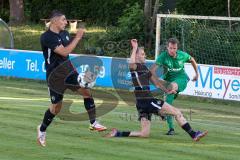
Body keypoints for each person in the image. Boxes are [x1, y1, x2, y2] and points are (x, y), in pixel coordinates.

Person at [105, 39, 207, 141]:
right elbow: (131, 64)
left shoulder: (144, 68)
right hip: (147, 101)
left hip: (141, 103)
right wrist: (135, 48)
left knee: (144, 133)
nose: (145, 56)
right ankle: (193, 134)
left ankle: (118, 133)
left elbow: (157, 83)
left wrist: (168, 91)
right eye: (142, 54)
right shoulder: (135, 66)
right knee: (177, 112)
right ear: (136, 56)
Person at [37, 10, 106, 147]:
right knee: (56, 108)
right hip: (55, 76)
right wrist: (78, 37)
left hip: (69, 71)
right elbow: (64, 51)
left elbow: (67, 51)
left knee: (86, 90)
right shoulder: (46, 37)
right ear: (55, 21)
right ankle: (42, 129)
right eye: (63, 19)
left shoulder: (65, 34)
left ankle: (93, 123)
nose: (66, 22)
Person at [150, 38, 199, 135]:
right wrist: (156, 81)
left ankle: (161, 113)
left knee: (172, 86)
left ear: (177, 48)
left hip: (181, 80)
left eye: (174, 48)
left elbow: (192, 59)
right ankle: (170, 128)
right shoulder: (163, 57)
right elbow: (152, 70)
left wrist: (197, 74)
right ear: (167, 48)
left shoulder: (182, 55)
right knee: (168, 105)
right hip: (169, 82)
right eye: (170, 48)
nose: (172, 50)